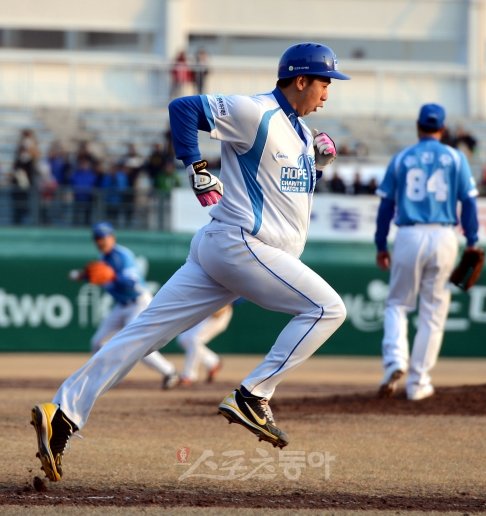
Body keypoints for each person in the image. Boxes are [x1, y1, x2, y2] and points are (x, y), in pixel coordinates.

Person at [30, 41, 349, 482]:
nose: (328, 92)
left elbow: (285, 187)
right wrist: (195, 164)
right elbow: (183, 107)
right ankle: (253, 394)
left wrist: (319, 159)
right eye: (324, 82)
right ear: (300, 80)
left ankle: (62, 412)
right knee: (328, 309)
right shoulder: (257, 112)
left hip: (227, 250)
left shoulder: (299, 132)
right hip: (243, 245)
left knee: (142, 335)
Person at [374, 103, 480, 401]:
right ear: (442, 129)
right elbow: (469, 203)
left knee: (397, 304)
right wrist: (472, 240)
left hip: (408, 235)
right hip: (445, 235)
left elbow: (386, 206)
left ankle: (396, 359)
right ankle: (418, 383)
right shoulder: (456, 158)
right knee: (433, 314)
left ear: (418, 127)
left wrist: (381, 245)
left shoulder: (402, 158)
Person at [69, 222, 179, 389]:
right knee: (97, 341)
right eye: (97, 238)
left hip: (138, 303)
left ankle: (169, 371)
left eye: (103, 237)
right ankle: (96, 379)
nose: (100, 241)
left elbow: (132, 283)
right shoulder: (103, 259)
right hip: (121, 306)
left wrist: (114, 277)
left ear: (112, 238)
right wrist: (81, 275)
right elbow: (97, 274)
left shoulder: (122, 256)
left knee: (137, 345)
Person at [176, 303, 234, 385]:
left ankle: (189, 375)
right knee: (183, 339)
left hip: (219, 311)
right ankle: (213, 361)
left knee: (194, 339)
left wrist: (224, 305)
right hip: (206, 310)